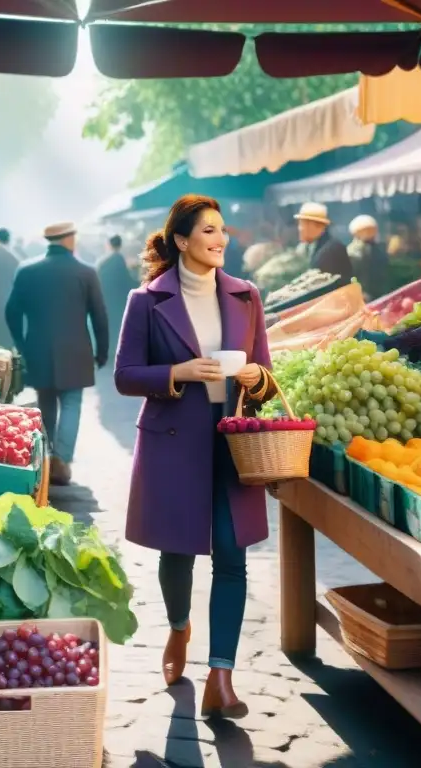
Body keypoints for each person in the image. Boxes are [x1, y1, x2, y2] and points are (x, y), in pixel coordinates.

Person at [114, 194, 278, 719]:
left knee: (232, 556)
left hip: (233, 444)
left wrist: (256, 378)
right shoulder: (146, 300)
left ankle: (221, 678)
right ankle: (179, 629)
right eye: (208, 231)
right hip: (172, 442)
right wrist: (178, 374)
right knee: (177, 552)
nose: (220, 239)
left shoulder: (247, 296)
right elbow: (124, 375)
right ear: (182, 241)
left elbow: (268, 378)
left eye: (223, 230)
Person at [5, 223, 109, 486]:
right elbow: (99, 316)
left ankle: (47, 457)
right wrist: (103, 350)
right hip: (77, 351)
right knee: (72, 403)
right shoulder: (86, 272)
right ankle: (62, 460)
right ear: (70, 239)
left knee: (46, 402)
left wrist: (21, 342)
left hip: (38, 349)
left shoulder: (27, 270)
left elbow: (12, 311)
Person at [96, 234, 138, 357]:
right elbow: (126, 282)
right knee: (118, 327)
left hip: (106, 300)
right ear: (120, 245)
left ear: (108, 245)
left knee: (110, 327)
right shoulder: (118, 259)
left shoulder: (102, 261)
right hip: (117, 301)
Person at [294, 202, 353, 280]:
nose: (299, 229)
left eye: (302, 224)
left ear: (318, 226)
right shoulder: (306, 248)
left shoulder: (332, 249)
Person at [346, 214, 387, 299]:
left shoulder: (377, 249)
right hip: (363, 295)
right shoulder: (353, 252)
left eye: (371, 230)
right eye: (366, 230)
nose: (370, 233)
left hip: (378, 294)